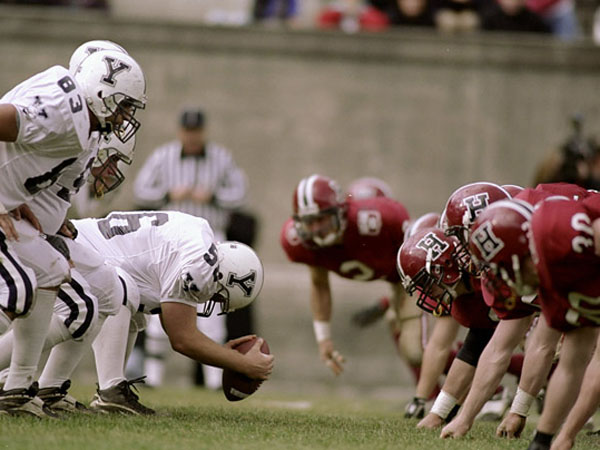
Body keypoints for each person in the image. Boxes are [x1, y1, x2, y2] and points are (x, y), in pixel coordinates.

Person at [0, 210, 273, 415]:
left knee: (131, 307)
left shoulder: (199, 242)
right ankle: (109, 390)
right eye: (219, 295)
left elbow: (175, 322)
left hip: (85, 245)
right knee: (114, 293)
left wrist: (224, 354)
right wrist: (239, 364)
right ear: (223, 276)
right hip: (73, 248)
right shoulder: (200, 264)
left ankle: (52, 388)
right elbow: (182, 338)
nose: (212, 299)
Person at [0, 44, 146, 416]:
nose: (126, 116)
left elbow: (24, 168)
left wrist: (15, 197)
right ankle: (14, 382)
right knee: (20, 291)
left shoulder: (82, 120)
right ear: (100, 90)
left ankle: (17, 390)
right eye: (123, 105)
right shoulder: (65, 113)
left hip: (20, 216)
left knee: (57, 274)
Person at [439, 184, 591, 439]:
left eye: (463, 238)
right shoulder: (514, 247)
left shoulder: (558, 240)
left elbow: (544, 344)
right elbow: (501, 347)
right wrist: (465, 419)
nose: (461, 251)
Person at [133, 107, 248, 390]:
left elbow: (240, 193)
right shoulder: (163, 156)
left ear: (203, 131)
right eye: (188, 130)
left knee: (212, 307)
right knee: (162, 302)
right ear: (180, 131)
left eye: (196, 131)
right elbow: (141, 190)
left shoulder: (221, 158)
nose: (192, 136)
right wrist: (168, 194)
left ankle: (214, 380)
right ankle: (153, 376)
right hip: (171, 240)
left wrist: (214, 196)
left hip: (211, 239)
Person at [280, 174, 426, 385]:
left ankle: (450, 387)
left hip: (417, 279)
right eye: (309, 222)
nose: (315, 229)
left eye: (321, 219)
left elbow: (419, 258)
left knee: (416, 349)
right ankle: (430, 395)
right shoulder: (302, 242)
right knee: (406, 338)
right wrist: (324, 339)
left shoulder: (381, 221)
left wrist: (388, 302)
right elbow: (319, 283)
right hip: (398, 282)